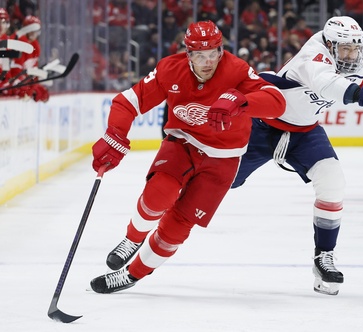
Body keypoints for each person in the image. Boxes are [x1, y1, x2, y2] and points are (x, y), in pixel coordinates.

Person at [231, 16, 363, 296]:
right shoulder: (312, 57)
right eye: (345, 49)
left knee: (333, 181)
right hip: (261, 127)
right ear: (330, 45)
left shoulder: (349, 62)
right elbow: (330, 84)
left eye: (355, 49)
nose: (351, 55)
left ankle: (324, 256)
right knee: (221, 181)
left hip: (305, 132)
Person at [89, 20, 286, 294]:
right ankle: (132, 239)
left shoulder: (237, 70)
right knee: (159, 193)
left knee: (177, 228)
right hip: (183, 143)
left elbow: (276, 101)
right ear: (188, 54)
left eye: (213, 54)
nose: (208, 62)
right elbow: (128, 102)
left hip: (225, 158)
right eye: (200, 56)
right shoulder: (171, 69)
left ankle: (131, 275)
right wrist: (115, 134)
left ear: (221, 50)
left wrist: (241, 101)